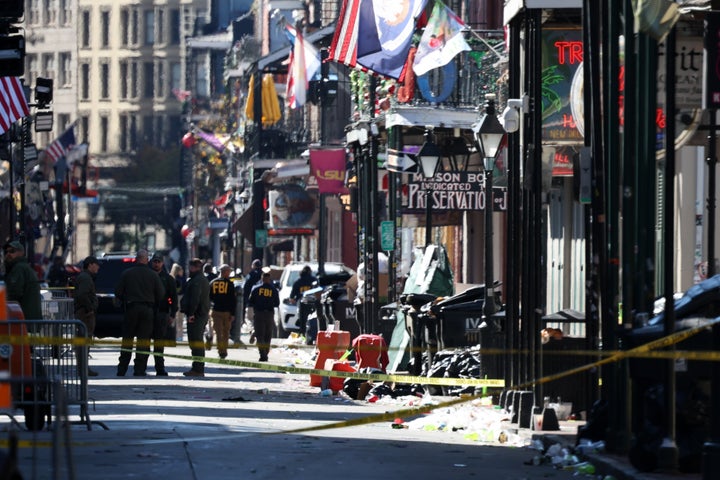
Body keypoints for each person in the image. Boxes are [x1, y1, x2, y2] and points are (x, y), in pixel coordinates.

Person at [114, 249, 165, 377]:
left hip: (131, 309)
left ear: (137, 259)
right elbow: (161, 294)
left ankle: (122, 369)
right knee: (143, 341)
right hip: (147, 310)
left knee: (127, 340)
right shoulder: (153, 275)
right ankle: (139, 370)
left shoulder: (127, 273)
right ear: (146, 259)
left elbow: (118, 292)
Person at [181, 258, 210, 377]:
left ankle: (198, 369)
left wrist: (191, 313)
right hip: (198, 314)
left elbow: (195, 298)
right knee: (194, 341)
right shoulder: (198, 279)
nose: (190, 269)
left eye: (192, 267)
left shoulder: (197, 280)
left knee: (196, 341)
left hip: (197, 315)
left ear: (196, 267)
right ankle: (197, 367)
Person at [150, 252, 178, 376]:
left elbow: (173, 297)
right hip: (148, 313)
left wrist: (172, 314)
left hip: (162, 313)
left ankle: (159, 368)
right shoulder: (147, 276)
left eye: (158, 261)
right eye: (154, 261)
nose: (156, 264)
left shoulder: (168, 278)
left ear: (162, 263)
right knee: (144, 341)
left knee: (159, 343)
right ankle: (140, 368)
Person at [3, 241, 42, 324]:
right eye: (7, 252)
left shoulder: (19, 268)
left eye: (12, 251)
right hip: (30, 319)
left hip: (23, 319)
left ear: (21, 253)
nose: (8, 254)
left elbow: (14, 293)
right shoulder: (23, 267)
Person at [73, 255, 100, 377]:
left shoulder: (86, 277)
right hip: (84, 314)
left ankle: (84, 368)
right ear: (90, 265)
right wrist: (89, 308)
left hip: (85, 313)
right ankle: (83, 369)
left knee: (85, 342)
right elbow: (82, 295)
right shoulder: (85, 278)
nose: (98, 267)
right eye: (96, 264)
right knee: (84, 341)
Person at [209, 264, 242, 359]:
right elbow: (233, 300)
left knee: (218, 332)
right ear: (224, 272)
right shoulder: (230, 284)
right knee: (226, 332)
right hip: (226, 312)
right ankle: (224, 351)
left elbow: (208, 297)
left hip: (215, 310)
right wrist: (233, 314)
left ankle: (220, 350)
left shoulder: (212, 283)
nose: (229, 273)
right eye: (228, 271)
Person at [248, 269, 279, 362]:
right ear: (269, 279)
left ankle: (262, 353)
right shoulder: (274, 290)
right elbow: (277, 303)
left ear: (262, 279)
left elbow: (251, 301)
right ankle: (265, 351)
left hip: (259, 313)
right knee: (268, 335)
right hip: (269, 313)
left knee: (260, 334)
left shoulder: (256, 288)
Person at [243, 259, 263, 342]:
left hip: (251, 301)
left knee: (249, 319)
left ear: (253, 266)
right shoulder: (263, 275)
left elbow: (245, 286)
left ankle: (252, 330)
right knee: (260, 319)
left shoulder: (250, 275)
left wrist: (245, 299)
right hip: (262, 302)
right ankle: (259, 334)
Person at [170, 263, 185, 342]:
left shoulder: (170, 278)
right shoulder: (180, 279)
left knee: (174, 318)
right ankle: (179, 336)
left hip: (172, 300)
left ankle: (174, 335)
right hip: (180, 299)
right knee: (180, 319)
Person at [203, 262, 217, 350]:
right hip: (214, 303)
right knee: (212, 322)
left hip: (204, 302)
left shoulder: (203, 277)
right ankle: (211, 337)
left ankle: (207, 335)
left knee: (204, 321)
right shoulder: (215, 278)